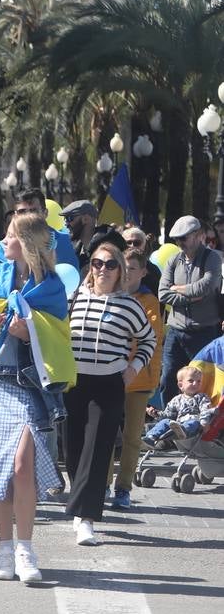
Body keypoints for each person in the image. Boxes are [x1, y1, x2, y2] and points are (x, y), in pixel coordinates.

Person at [0, 213, 72, 586]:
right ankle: (4, 548)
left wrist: (29, 328)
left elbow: (60, 335)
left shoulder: (50, 287)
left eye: (10, 235)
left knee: (21, 466)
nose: (3, 241)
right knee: (0, 469)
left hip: (31, 385)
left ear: (27, 243)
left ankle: (25, 548)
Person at [65, 241, 155, 546]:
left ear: (120, 270)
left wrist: (132, 370)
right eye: (97, 263)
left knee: (98, 450)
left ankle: (86, 517)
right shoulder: (75, 298)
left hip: (108, 386)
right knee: (74, 450)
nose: (102, 269)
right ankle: (80, 508)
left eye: (110, 264)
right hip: (74, 383)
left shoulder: (129, 305)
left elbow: (148, 340)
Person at [108, 248, 163, 508]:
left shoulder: (149, 301)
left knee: (131, 437)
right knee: (106, 434)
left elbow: (145, 338)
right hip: (111, 375)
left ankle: (123, 488)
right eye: (124, 267)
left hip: (139, 379)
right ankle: (103, 482)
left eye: (132, 268)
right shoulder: (110, 296)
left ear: (143, 272)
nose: (127, 273)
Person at [157, 215, 221, 408]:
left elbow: (205, 287)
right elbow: (162, 294)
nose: (179, 243)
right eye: (176, 239)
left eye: (183, 238)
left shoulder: (212, 258)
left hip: (204, 332)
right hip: (175, 332)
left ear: (198, 235)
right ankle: (168, 423)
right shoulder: (173, 260)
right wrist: (190, 295)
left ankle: (201, 427)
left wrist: (178, 289)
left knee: (202, 384)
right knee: (168, 380)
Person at [142, 366, 213, 449]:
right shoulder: (177, 399)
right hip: (177, 425)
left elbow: (205, 410)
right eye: (191, 381)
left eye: (199, 381)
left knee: (194, 422)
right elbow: (168, 414)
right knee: (165, 421)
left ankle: (182, 431)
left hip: (194, 425)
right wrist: (156, 414)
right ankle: (150, 438)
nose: (195, 384)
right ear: (180, 385)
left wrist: (204, 421)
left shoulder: (202, 397)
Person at [60, 200, 98, 271]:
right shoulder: (74, 253)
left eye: (70, 218)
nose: (66, 224)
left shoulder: (106, 251)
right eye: (65, 219)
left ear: (86, 219)